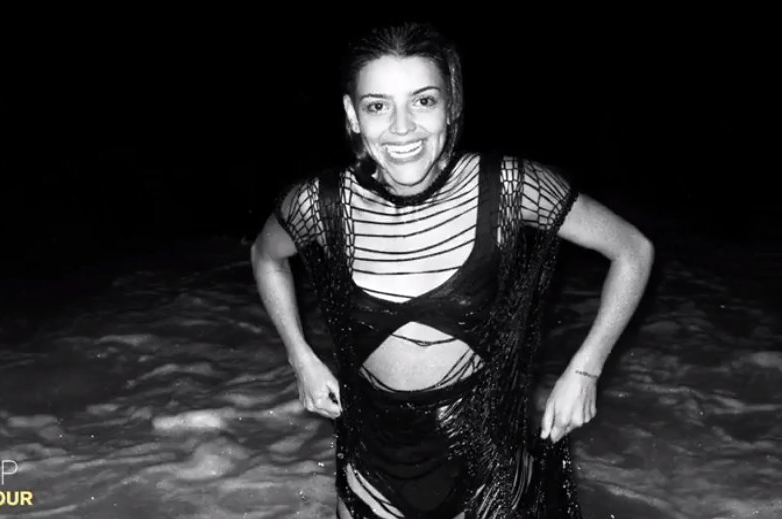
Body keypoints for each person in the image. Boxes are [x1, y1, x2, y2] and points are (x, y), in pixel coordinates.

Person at [251, 21, 654, 519]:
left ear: (451, 105)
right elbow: (266, 257)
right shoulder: (321, 204)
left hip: (489, 468)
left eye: (423, 101)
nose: (402, 128)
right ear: (353, 115)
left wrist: (585, 370)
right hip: (370, 468)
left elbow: (632, 251)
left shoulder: (509, 187)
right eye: (378, 106)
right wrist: (300, 357)